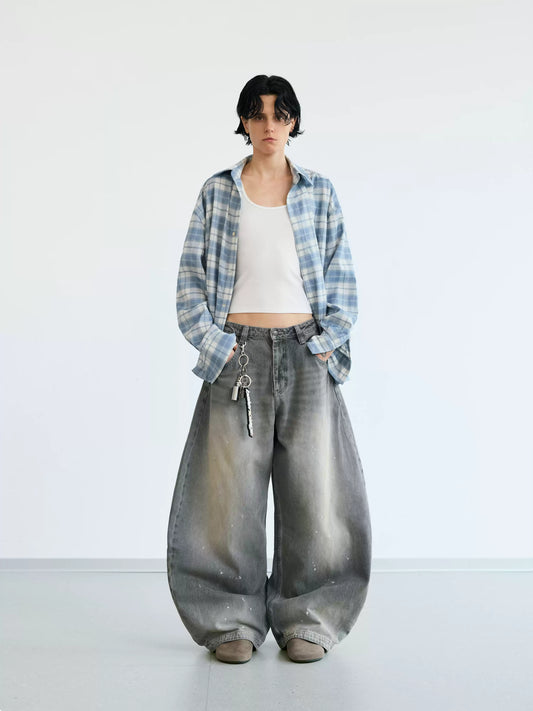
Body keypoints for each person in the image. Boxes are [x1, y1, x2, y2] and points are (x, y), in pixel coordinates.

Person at [166, 74, 372, 664]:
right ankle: (230, 619)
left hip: (306, 351)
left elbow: (341, 273)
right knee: (227, 492)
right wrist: (217, 347)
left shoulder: (319, 192)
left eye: (279, 114)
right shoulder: (217, 192)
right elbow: (189, 282)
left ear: (293, 122)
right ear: (243, 122)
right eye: (257, 114)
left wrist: (327, 342)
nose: (268, 125)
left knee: (315, 488)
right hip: (238, 353)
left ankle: (310, 618)